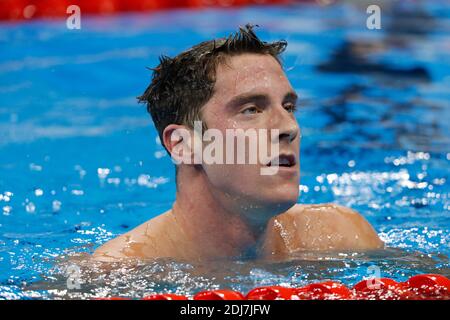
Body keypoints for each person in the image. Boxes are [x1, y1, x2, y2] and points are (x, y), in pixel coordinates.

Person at [93, 24, 383, 262]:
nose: (289, 127)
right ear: (182, 144)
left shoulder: (343, 238)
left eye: (289, 107)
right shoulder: (121, 272)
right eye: (251, 110)